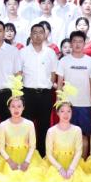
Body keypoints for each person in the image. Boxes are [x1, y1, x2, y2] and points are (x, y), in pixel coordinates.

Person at [55, 31, 91, 157]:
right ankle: (68, 160)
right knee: (67, 135)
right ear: (71, 43)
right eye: (75, 41)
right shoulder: (63, 61)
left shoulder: (90, 61)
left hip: (85, 104)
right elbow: (59, 82)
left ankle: (83, 162)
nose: (77, 44)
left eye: (80, 41)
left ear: (84, 43)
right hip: (67, 104)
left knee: (84, 136)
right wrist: (58, 101)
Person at [0, 91, 41, 182]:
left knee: (30, 180)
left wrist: (27, 162)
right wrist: (10, 161)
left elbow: (32, 146)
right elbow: (1, 147)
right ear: (9, 108)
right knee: (8, 180)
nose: (16, 109)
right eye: (13, 106)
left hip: (27, 156)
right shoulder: (3, 125)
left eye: (19, 106)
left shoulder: (29, 124)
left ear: (23, 108)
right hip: (8, 157)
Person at [20, 23, 57, 154]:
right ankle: (27, 155)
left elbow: (53, 74)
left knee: (44, 126)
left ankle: (42, 155)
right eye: (34, 32)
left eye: (40, 32)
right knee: (27, 126)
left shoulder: (50, 53)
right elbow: (19, 74)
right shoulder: (23, 52)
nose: (37, 35)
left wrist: (48, 86)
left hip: (45, 94)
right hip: (27, 94)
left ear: (45, 35)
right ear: (30, 35)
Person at [42, 90, 87, 182]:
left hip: (73, 162)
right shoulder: (51, 131)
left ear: (72, 113)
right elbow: (49, 153)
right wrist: (60, 168)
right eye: (62, 111)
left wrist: (71, 168)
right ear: (57, 113)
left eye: (68, 111)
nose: (66, 114)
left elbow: (79, 151)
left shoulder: (77, 130)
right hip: (55, 163)